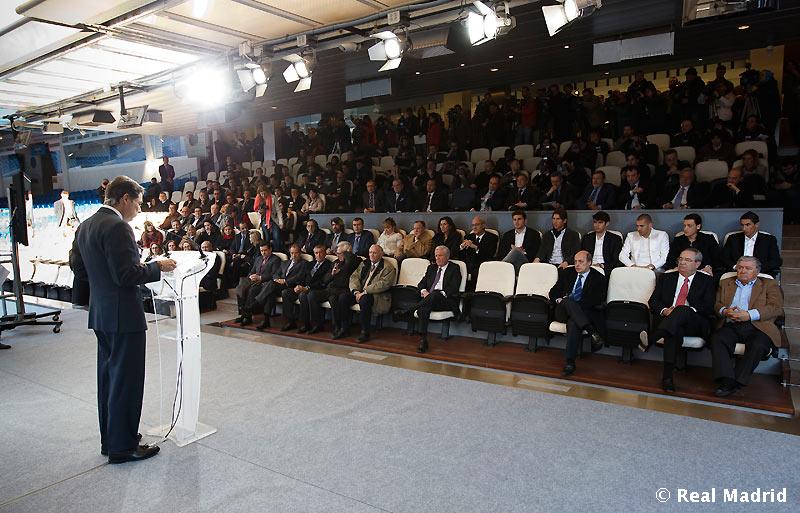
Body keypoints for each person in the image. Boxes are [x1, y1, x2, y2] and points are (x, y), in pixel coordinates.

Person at [73, 175, 176, 464]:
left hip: (101, 313)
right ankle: (123, 446)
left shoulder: (86, 225)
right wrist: (157, 266)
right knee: (126, 382)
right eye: (138, 204)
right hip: (124, 316)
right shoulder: (118, 226)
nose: (139, 210)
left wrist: (104, 284)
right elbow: (127, 275)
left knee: (109, 380)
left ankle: (112, 440)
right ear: (125, 199)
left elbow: (79, 269)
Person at [711, 256, 784, 397]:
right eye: (740, 267)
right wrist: (725, 311)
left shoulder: (769, 284)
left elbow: (776, 308)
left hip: (759, 326)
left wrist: (749, 315)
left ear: (757, 271)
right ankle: (727, 380)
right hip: (732, 324)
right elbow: (717, 304)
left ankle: (736, 382)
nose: (743, 271)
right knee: (717, 339)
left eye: (748, 268)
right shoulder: (726, 282)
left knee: (758, 345)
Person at [648, 248, 716, 392]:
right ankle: (667, 378)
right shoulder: (666, 278)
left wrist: (684, 311)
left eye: (687, 260)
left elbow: (708, 306)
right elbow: (653, 301)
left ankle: (652, 337)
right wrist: (665, 311)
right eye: (681, 259)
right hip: (670, 322)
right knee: (674, 331)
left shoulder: (707, 281)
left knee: (682, 309)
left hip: (695, 323)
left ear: (697, 264)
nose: (682, 262)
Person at [549, 250, 606, 377]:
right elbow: (553, 292)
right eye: (575, 261)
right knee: (567, 301)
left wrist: (575, 304)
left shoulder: (598, 278)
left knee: (574, 323)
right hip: (563, 311)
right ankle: (592, 331)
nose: (577, 264)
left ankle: (570, 363)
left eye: (581, 261)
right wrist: (559, 300)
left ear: (589, 262)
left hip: (582, 313)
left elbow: (597, 300)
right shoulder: (567, 273)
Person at [394, 246, 461, 354]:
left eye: (440, 255)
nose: (437, 258)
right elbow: (421, 284)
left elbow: (454, 287)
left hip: (445, 301)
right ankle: (423, 340)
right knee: (423, 310)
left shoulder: (454, 268)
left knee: (435, 294)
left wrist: (436, 294)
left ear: (447, 256)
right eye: (436, 255)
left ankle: (408, 310)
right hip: (429, 300)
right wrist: (424, 291)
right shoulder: (431, 268)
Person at [335, 244, 397, 342]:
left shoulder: (388, 267)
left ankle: (365, 332)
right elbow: (354, 277)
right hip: (359, 292)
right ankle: (344, 328)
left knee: (365, 300)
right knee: (343, 298)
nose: (371, 255)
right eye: (370, 252)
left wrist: (365, 291)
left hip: (376, 295)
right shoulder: (365, 263)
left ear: (381, 254)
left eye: (374, 253)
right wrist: (355, 291)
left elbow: (384, 284)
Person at [309, 241, 359, 334]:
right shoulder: (335, 262)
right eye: (337, 253)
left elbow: (349, 263)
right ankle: (317, 324)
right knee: (312, 295)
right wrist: (332, 274)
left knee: (334, 298)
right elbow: (325, 280)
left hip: (343, 290)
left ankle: (338, 327)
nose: (337, 255)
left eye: (340, 253)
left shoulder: (354, 261)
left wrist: (348, 253)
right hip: (331, 289)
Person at [257, 244, 307, 331]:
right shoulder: (285, 263)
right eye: (292, 253)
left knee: (275, 287)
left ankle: (257, 302)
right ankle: (266, 320)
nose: (294, 255)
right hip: (280, 285)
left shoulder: (304, 264)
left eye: (296, 253)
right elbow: (276, 273)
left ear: (300, 253)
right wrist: (277, 279)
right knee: (271, 292)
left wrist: (285, 281)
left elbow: (299, 276)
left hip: (293, 287)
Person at [284, 244, 332, 333]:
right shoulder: (310, 264)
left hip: (319, 289)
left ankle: (315, 324)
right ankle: (296, 322)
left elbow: (323, 281)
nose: (318, 255)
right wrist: (299, 286)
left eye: (320, 253)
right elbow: (302, 276)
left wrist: (307, 287)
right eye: (316, 253)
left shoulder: (329, 265)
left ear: (325, 253)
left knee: (307, 295)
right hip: (305, 287)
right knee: (287, 293)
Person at [720, 211, 782, 277]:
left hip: (759, 274)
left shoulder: (769, 240)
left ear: (757, 224)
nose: (744, 228)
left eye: (747, 225)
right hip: (737, 273)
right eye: (742, 225)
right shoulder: (733, 238)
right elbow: (723, 258)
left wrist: (756, 269)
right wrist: (735, 267)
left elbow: (776, 261)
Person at [234, 242, 281, 326]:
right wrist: (251, 276)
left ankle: (248, 315)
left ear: (270, 249)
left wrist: (260, 278)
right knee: (240, 288)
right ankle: (244, 314)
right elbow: (252, 271)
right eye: (261, 251)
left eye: (265, 250)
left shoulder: (275, 259)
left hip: (265, 283)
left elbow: (274, 275)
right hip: (254, 282)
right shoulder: (258, 259)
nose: (263, 253)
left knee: (252, 291)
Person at [459, 216, 498, 289]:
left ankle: (474, 292)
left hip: (483, 263)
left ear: (483, 225)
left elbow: (489, 254)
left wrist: (475, 247)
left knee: (475, 269)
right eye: (473, 225)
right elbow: (463, 254)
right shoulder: (469, 236)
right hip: (469, 264)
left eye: (477, 225)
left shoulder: (492, 237)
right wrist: (462, 246)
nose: (474, 227)